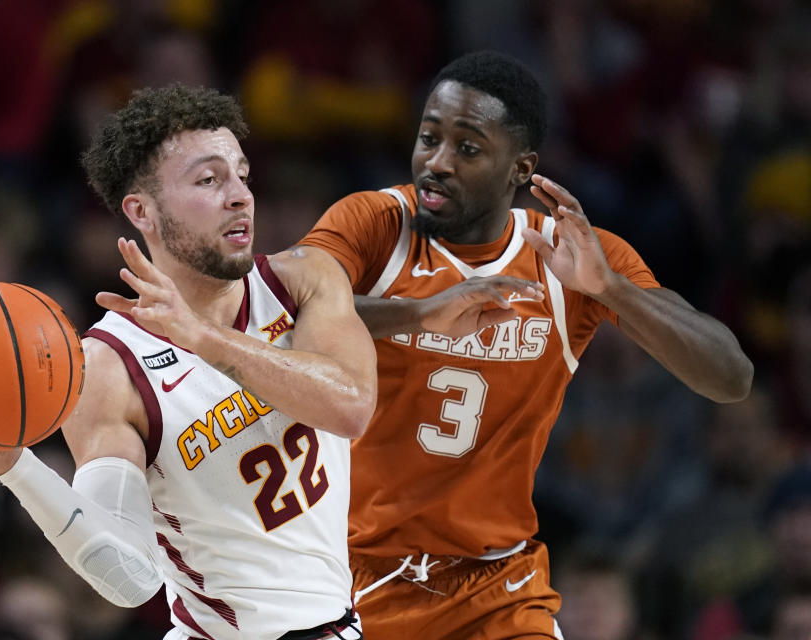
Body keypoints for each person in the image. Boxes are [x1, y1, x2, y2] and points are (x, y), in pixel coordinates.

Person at [299, 49, 754, 639]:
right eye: (428, 137)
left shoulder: (569, 258)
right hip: (345, 574)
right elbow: (283, 312)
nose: (436, 163)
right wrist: (421, 313)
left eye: (467, 148)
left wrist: (610, 289)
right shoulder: (374, 223)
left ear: (521, 169)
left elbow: (730, 376)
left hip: (493, 586)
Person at [0, 84, 379, 640]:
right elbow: (129, 580)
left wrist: (203, 337)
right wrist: (11, 463)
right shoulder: (109, 367)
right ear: (141, 211)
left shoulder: (302, 280)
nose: (240, 196)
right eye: (209, 180)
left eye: (242, 175)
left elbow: (349, 406)